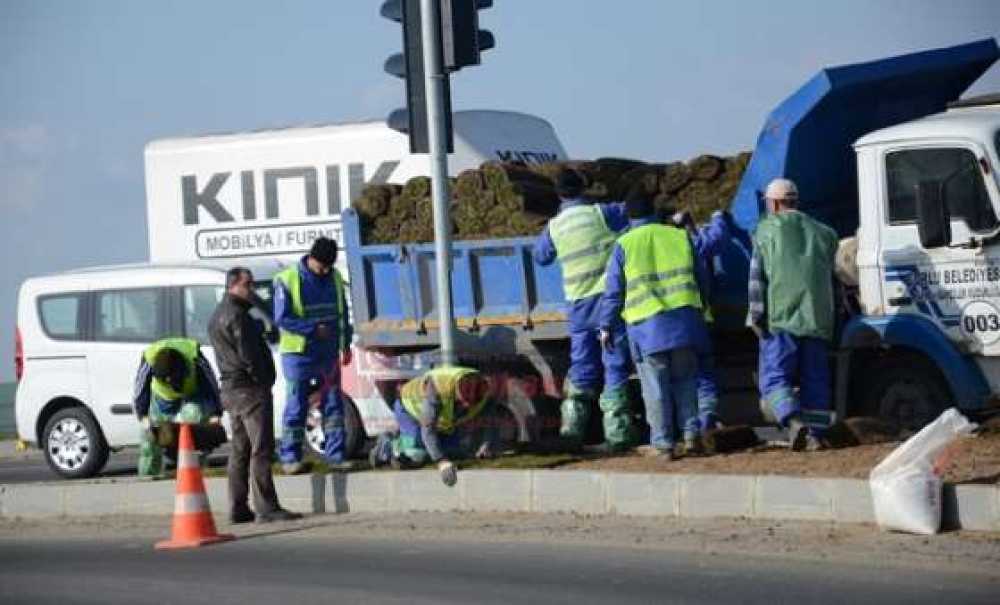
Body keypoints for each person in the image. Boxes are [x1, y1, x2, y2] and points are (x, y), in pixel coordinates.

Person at [600, 187, 710, 459]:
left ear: (628, 215)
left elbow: (614, 293)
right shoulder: (679, 236)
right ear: (653, 210)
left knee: (656, 390)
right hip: (685, 324)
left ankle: (663, 444)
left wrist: (605, 325)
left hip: (647, 330)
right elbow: (702, 277)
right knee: (686, 383)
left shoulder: (623, 245)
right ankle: (692, 435)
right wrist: (701, 308)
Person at [533, 167, 634, 452]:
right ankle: (617, 435)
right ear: (583, 188)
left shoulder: (554, 227)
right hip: (608, 303)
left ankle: (572, 432)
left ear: (558, 195)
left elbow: (540, 257)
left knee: (582, 367)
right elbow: (633, 211)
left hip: (578, 306)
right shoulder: (600, 213)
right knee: (613, 363)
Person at [747, 178, 839, 451]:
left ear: (773, 203)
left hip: (780, 318)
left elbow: (756, 281)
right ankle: (815, 435)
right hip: (817, 319)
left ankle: (793, 419)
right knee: (816, 380)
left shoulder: (764, 233)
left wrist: (756, 317)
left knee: (774, 379)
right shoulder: (824, 233)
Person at [209, 267, 301, 523]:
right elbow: (249, 356)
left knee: (240, 449)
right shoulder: (238, 317)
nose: (252, 290)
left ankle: (238, 507)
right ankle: (266, 507)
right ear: (233, 285)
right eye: (247, 284)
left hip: (230, 390)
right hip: (249, 390)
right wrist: (264, 381)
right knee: (261, 449)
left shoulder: (217, 315)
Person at [273, 236, 353, 473]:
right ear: (311, 258)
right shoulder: (287, 280)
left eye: (329, 267)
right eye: (321, 266)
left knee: (333, 404)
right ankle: (290, 458)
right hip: (298, 354)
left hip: (327, 353)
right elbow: (282, 317)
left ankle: (335, 457)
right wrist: (311, 330)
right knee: (297, 405)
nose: (324, 271)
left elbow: (342, 313)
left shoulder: (335, 278)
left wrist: (345, 344)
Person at [369, 366, 495, 486]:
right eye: (465, 399)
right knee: (416, 453)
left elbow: (488, 420)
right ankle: (387, 445)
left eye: (472, 401)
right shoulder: (437, 389)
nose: (467, 405)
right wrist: (442, 462)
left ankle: (406, 439)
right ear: (458, 389)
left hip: (437, 421)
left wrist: (486, 445)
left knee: (457, 450)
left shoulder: (482, 389)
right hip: (408, 409)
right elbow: (427, 430)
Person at [673, 209, 732, 433]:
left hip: (670, 323)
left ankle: (688, 426)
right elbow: (717, 239)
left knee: (683, 376)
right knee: (704, 371)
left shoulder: (667, 247)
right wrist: (717, 216)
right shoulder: (692, 243)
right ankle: (707, 417)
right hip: (699, 320)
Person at [132, 337, 223, 478]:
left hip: (193, 394)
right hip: (162, 399)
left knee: (194, 420)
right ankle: (150, 473)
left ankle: (193, 467)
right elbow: (140, 388)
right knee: (151, 432)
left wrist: (215, 413)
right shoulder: (149, 359)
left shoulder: (194, 356)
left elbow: (210, 383)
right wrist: (142, 415)